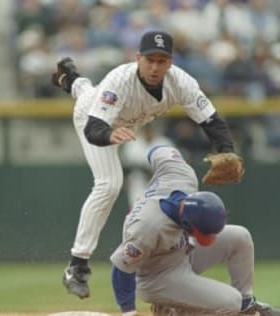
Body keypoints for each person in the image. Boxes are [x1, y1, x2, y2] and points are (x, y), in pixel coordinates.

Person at [51, 30, 243, 299]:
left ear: (171, 62)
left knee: (90, 92)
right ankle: (77, 266)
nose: (155, 67)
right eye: (150, 60)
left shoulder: (181, 82)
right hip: (95, 122)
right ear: (138, 58)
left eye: (162, 61)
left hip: (125, 121)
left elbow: (210, 120)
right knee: (109, 184)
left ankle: (70, 77)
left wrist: (227, 151)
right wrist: (109, 135)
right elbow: (93, 128)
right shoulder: (120, 79)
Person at [110, 145, 280, 316]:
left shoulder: (183, 177)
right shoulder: (148, 227)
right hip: (157, 278)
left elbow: (159, 150)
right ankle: (175, 310)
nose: (208, 238)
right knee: (232, 302)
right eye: (202, 233)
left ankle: (246, 304)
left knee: (240, 236)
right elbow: (121, 268)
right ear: (187, 223)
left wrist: (225, 150)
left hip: (182, 251)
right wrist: (129, 312)